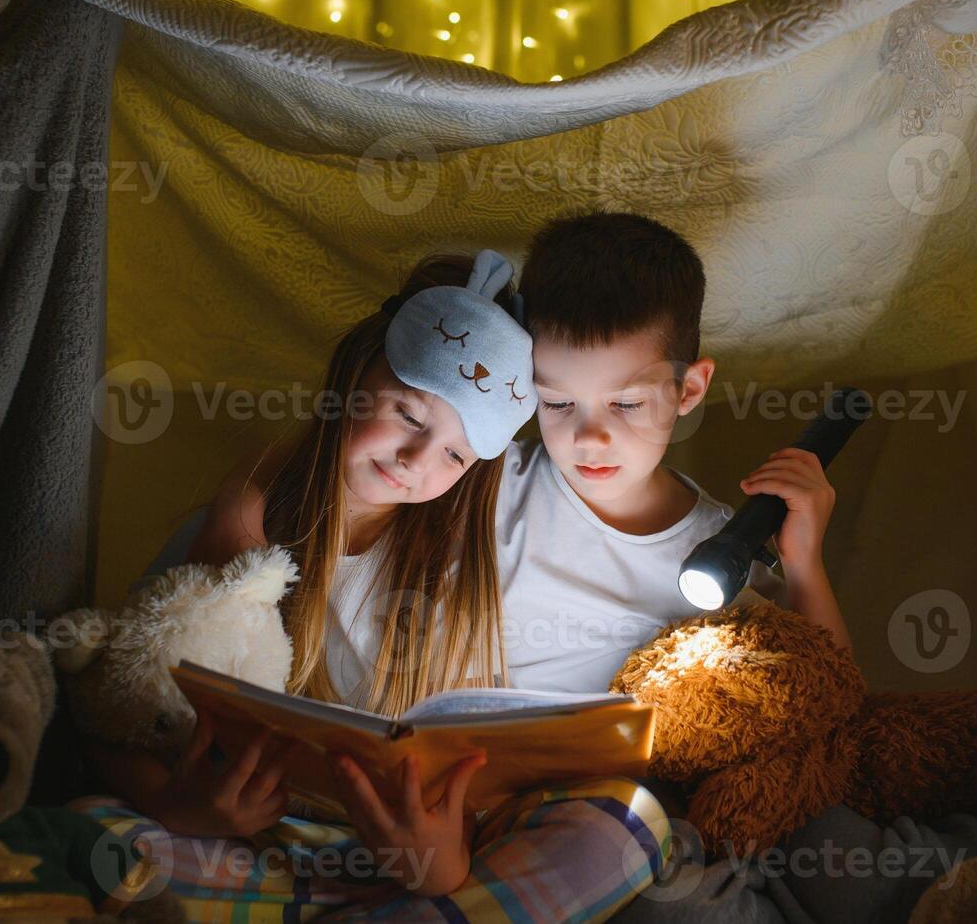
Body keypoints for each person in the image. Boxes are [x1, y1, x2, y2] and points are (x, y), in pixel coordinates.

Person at [75, 250, 674, 921]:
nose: (416, 461)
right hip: (262, 847)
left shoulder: (459, 559)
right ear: (354, 373)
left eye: (454, 454)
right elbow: (116, 713)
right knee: (95, 831)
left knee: (625, 826)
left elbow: (468, 801)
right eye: (410, 416)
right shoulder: (254, 516)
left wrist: (438, 862)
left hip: (419, 867)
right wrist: (171, 804)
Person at [497, 210, 851, 696]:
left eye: (625, 404)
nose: (589, 438)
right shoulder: (497, 487)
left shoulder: (722, 556)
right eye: (557, 402)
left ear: (688, 389)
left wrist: (804, 559)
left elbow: (831, 700)